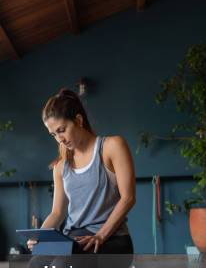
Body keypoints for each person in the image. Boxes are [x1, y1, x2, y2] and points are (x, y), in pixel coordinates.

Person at [27, 89, 136, 255]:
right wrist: (38, 236)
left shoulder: (112, 146)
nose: (59, 139)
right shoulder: (60, 166)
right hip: (73, 238)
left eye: (61, 130)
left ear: (78, 120)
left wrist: (100, 236)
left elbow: (128, 198)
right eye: (53, 134)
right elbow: (57, 213)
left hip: (111, 239)